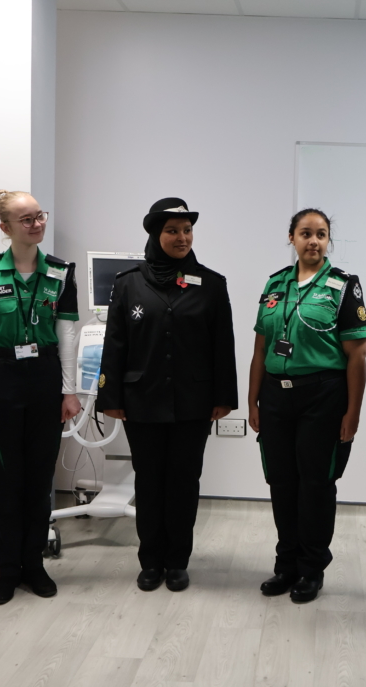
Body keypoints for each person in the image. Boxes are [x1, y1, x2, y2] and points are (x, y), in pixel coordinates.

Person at [97, 197, 238, 593]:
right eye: (173, 230)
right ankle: (150, 561)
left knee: (184, 483)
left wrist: (224, 395)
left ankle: (177, 561)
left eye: (187, 230)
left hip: (193, 403)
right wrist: (111, 397)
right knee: (149, 482)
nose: (182, 237)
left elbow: (222, 345)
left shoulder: (211, 284)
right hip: (142, 400)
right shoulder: (128, 283)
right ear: (155, 234)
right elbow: (116, 344)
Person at [0, 189, 82, 606]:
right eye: (26, 219)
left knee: (38, 481)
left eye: (39, 216)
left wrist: (69, 391)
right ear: (5, 228)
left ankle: (34, 565)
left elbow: (67, 335)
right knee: (7, 481)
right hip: (2, 377)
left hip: (46, 377)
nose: (37, 224)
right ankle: (7, 571)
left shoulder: (61, 272)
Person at [247, 209, 366, 604]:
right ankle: (286, 564)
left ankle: (311, 568)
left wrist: (352, 412)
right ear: (292, 238)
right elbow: (261, 348)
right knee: (281, 481)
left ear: (328, 240)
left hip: (323, 396)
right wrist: (252, 400)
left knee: (316, 484)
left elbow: (356, 356)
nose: (313, 241)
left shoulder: (344, 286)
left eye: (321, 234)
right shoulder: (275, 284)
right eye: (305, 233)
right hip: (276, 395)